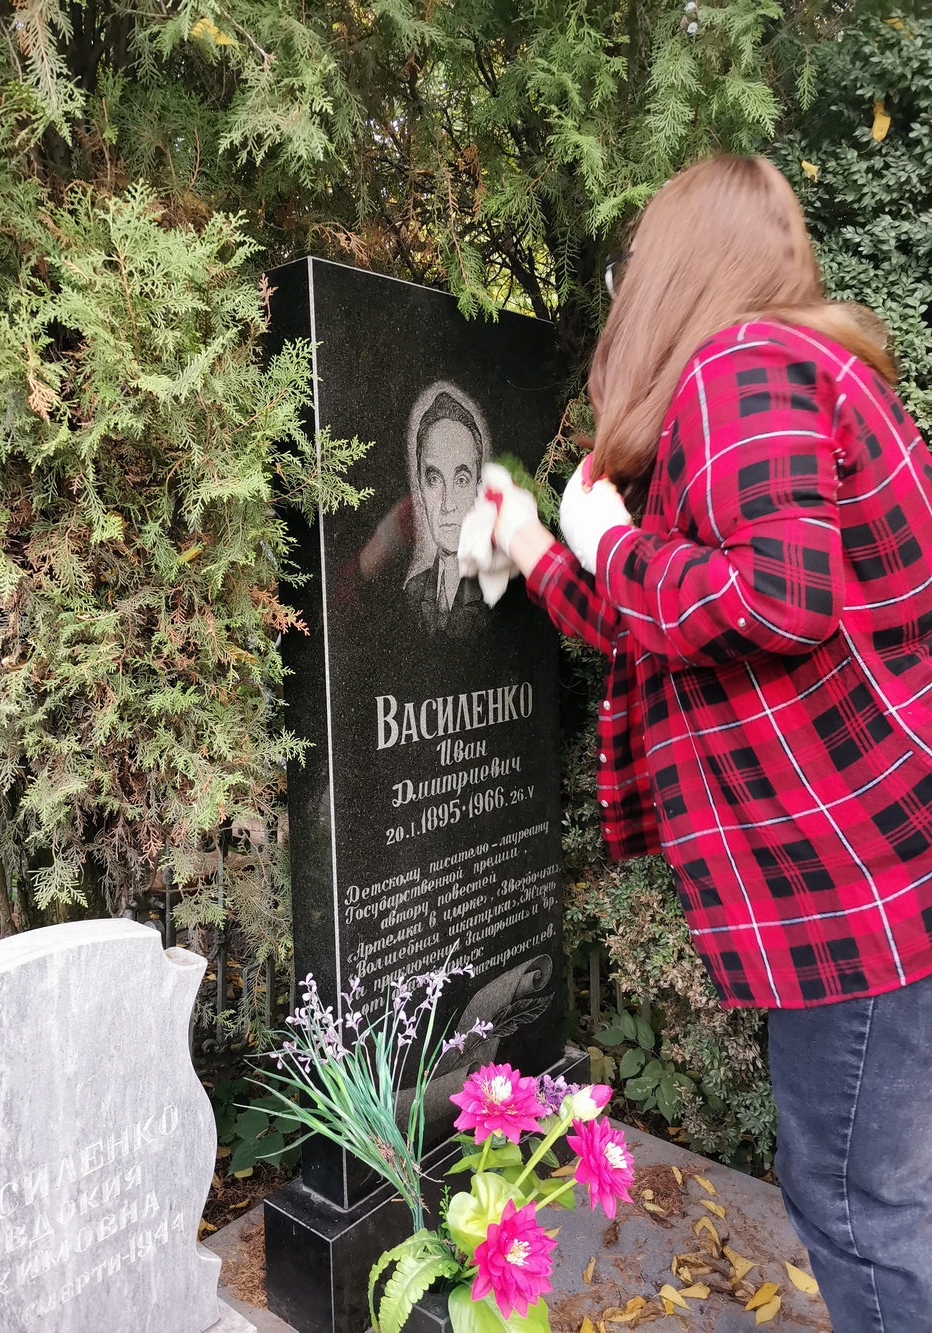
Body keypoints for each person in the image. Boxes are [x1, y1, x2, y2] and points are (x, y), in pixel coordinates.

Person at [460, 155, 932, 1331]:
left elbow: (775, 597)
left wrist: (608, 543)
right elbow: (678, 625)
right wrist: (542, 549)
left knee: (859, 1211)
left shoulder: (740, 364)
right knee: (883, 1201)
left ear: (674, 270)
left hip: (863, 903)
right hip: (886, 886)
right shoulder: (796, 369)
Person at [406, 390, 488, 638]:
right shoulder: (411, 594)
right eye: (434, 479)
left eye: (461, 480)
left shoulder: (499, 594)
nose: (447, 504)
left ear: (478, 488)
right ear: (420, 488)